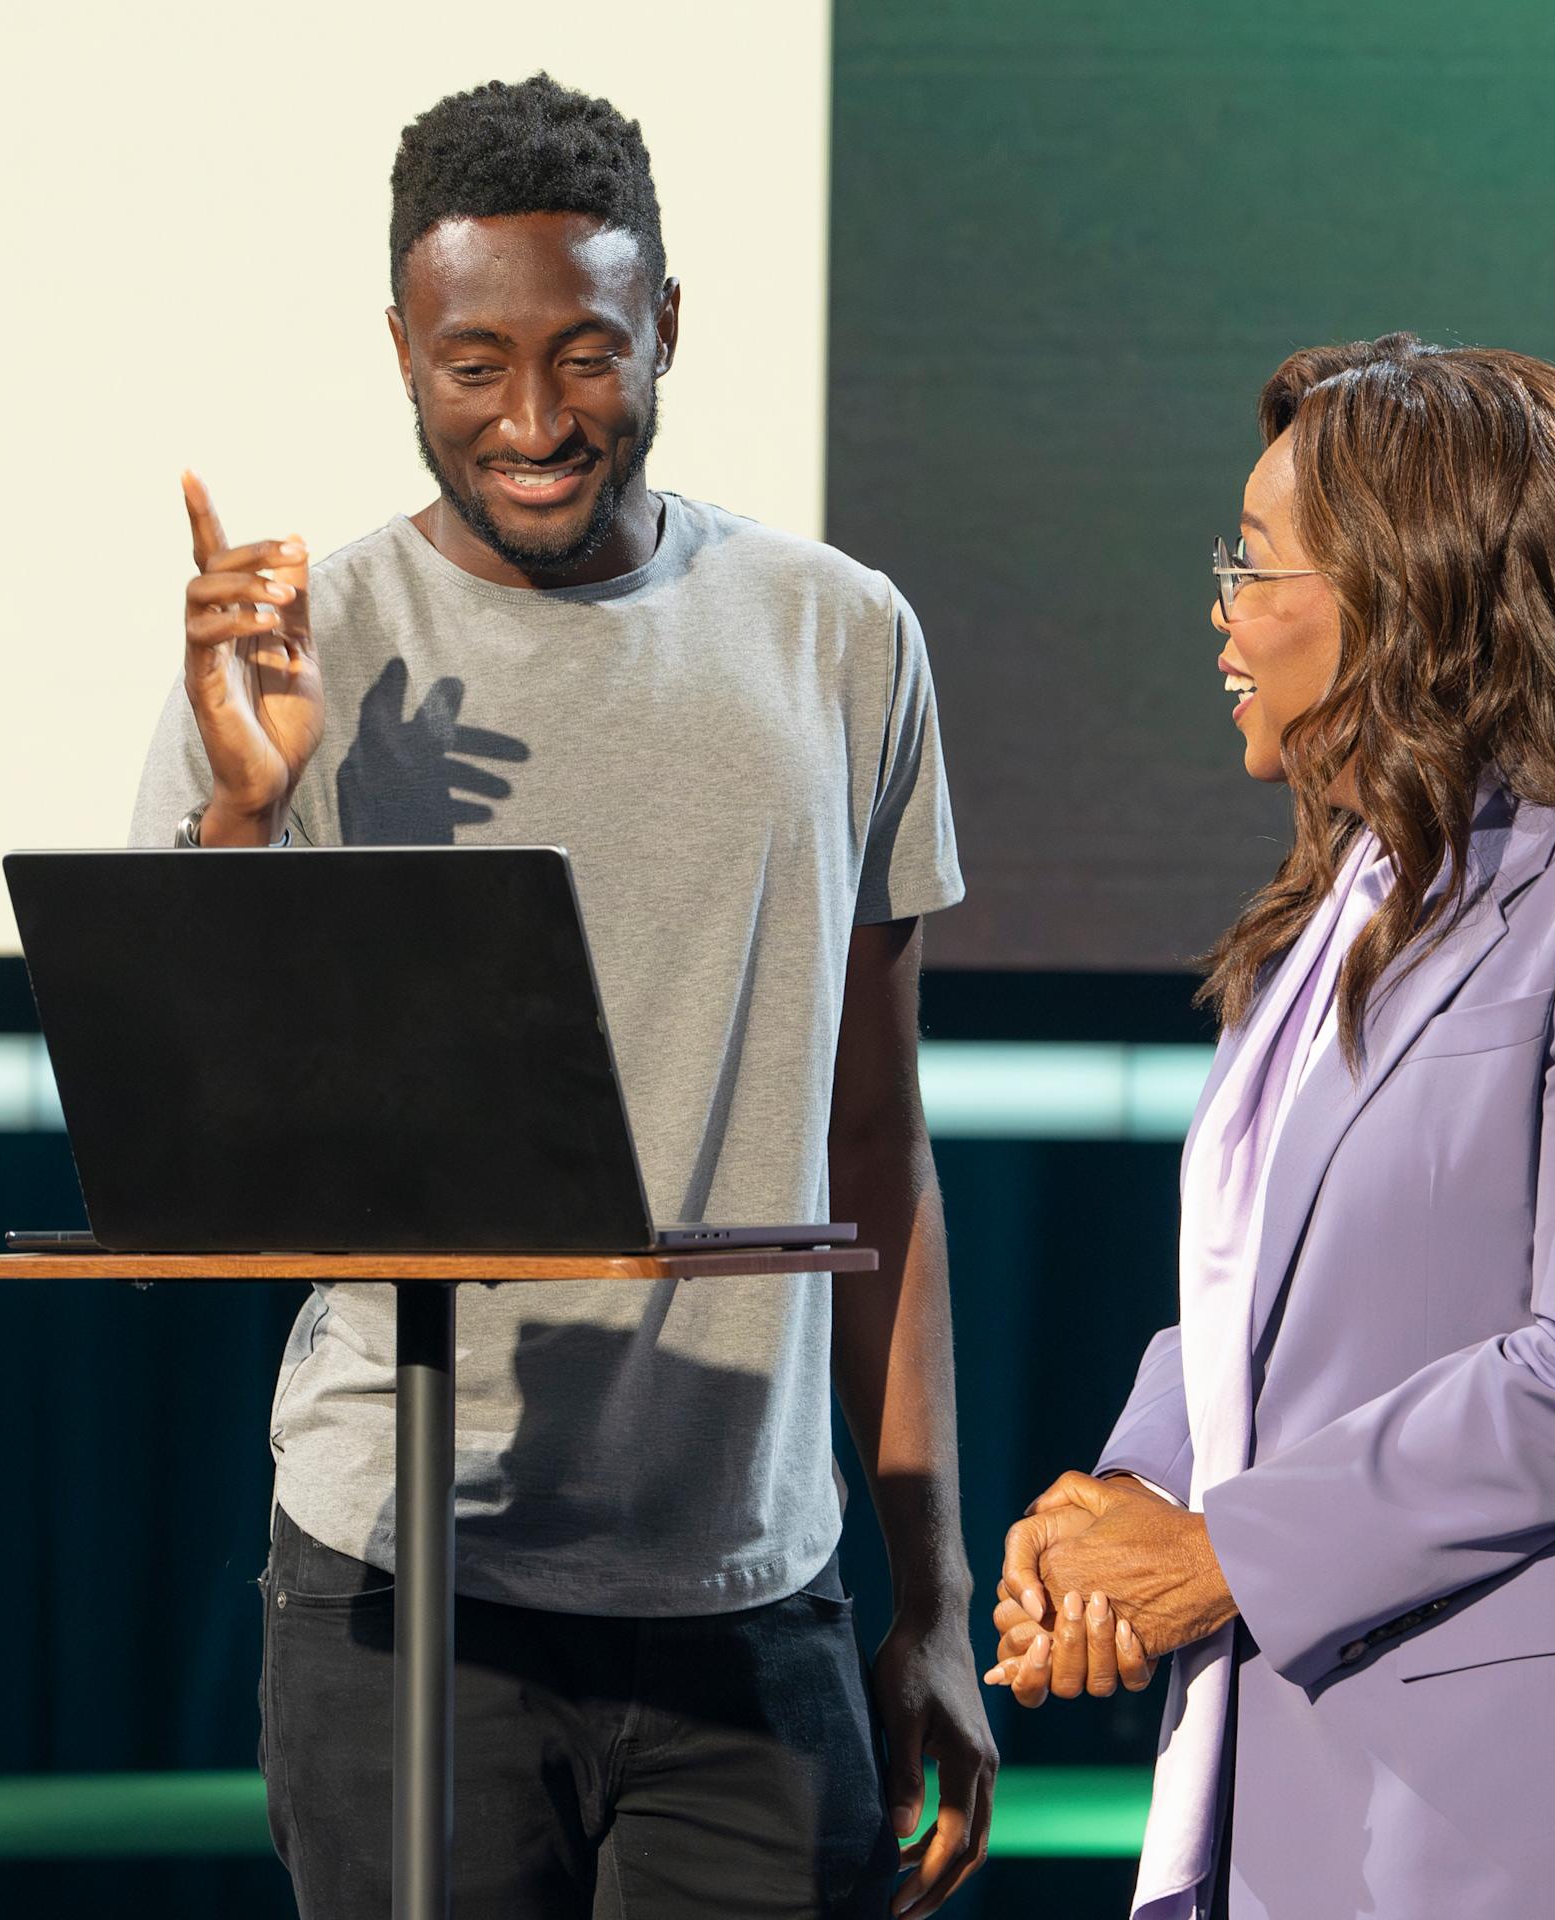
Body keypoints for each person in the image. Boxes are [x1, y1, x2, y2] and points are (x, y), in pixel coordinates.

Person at [131, 74, 995, 1920]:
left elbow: (879, 1149)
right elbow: (194, 1139)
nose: (533, 420)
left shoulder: (841, 637)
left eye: (587, 353)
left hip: (751, 1598)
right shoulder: (300, 644)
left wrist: (935, 1602)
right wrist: (244, 807)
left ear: (666, 325)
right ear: (399, 350)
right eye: (473, 365)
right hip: (400, 1586)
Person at [983, 334, 1555, 1919]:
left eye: (1256, 570)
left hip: (1550, 1811)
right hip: (1314, 1782)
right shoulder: (1337, 908)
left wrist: (1220, 1555)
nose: (1222, 615)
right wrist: (1123, 1508)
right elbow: (1249, 1302)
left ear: (1410, 592)